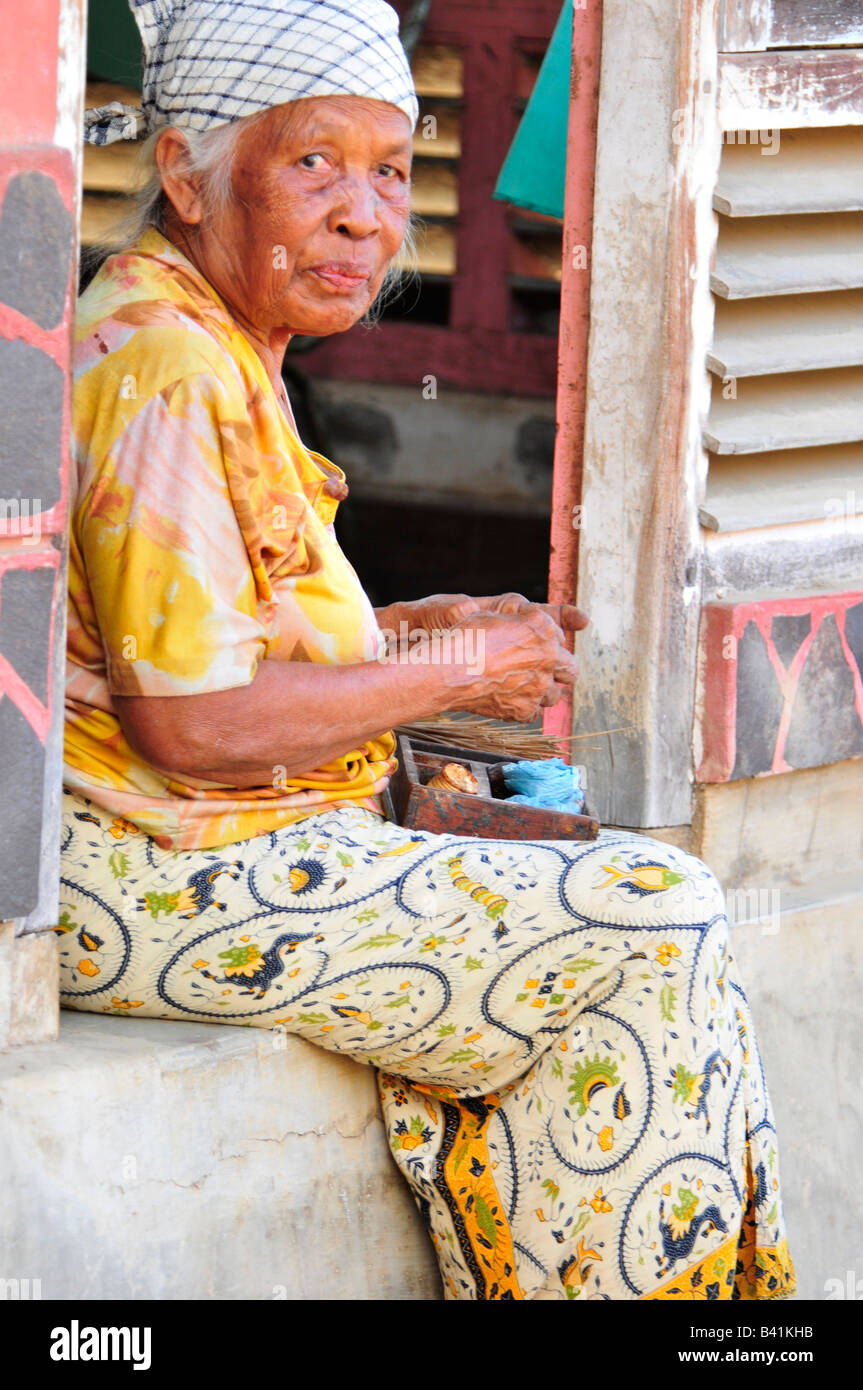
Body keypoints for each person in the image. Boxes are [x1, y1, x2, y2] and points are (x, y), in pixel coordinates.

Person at [61, 0, 795, 1301]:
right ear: (182, 170)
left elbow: (235, 631)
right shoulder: (167, 357)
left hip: (217, 845)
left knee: (647, 903)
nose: (367, 214)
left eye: (392, 171)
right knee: (656, 920)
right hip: (155, 869)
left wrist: (429, 627)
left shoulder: (214, 339)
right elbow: (191, 719)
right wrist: (454, 674)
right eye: (312, 164)